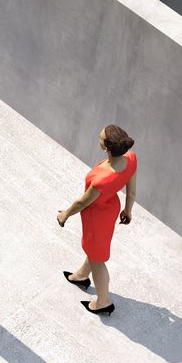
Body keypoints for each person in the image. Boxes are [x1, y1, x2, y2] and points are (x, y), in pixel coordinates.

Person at [55, 125, 137, 316]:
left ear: (106, 147)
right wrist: (128, 210)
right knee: (95, 250)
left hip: (97, 216)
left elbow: (83, 201)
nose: (98, 139)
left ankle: (103, 302)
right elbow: (132, 191)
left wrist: (65, 214)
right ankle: (82, 276)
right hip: (111, 208)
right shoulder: (131, 158)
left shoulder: (103, 178)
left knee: (98, 260)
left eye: (100, 138)